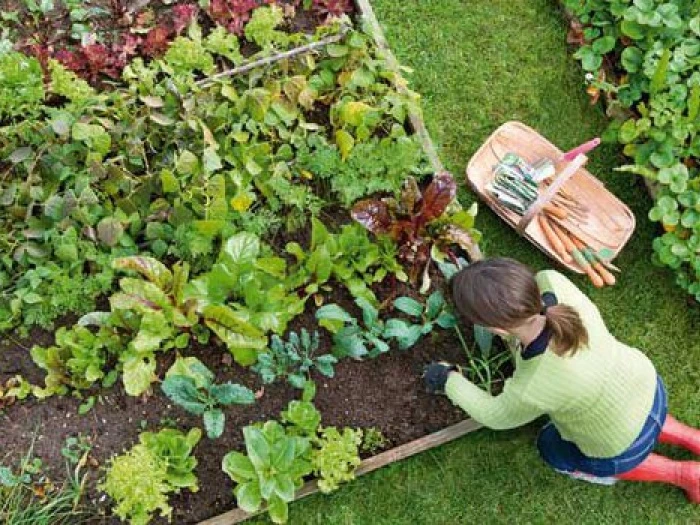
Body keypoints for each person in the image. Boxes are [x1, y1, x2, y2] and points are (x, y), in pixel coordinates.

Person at [423, 257, 700, 501]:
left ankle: (683, 473)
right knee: (636, 414)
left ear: (495, 328)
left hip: (616, 442)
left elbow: (496, 415)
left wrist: (448, 379)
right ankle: (692, 438)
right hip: (647, 385)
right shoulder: (554, 283)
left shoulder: (534, 384)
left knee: (552, 449)